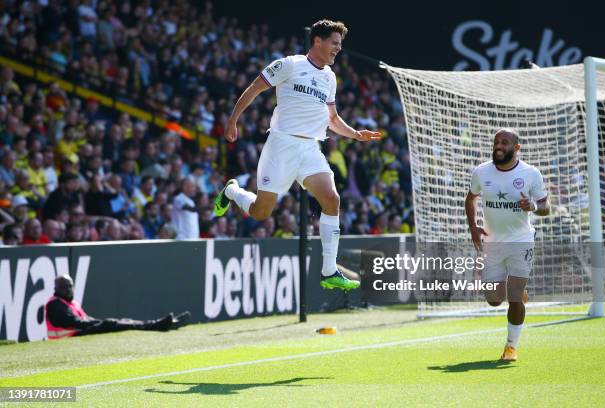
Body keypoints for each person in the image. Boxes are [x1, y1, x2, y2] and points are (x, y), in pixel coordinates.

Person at [214, 19, 380, 291]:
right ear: (318, 41)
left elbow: (332, 118)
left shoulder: (329, 77)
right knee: (260, 213)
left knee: (331, 198)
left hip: (309, 149)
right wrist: (233, 120)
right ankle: (233, 192)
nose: (338, 49)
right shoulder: (289, 64)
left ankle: (329, 271)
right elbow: (254, 89)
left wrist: (355, 134)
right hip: (281, 145)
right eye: (334, 43)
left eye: (340, 45)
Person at [465, 129, 549, 361]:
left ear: (517, 148)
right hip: (492, 242)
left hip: (521, 242)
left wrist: (532, 206)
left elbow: (545, 207)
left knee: (513, 296)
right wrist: (473, 226)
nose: (498, 146)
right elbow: (470, 198)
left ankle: (511, 347)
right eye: (496, 142)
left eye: (504, 142)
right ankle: (519, 294)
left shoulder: (531, 173)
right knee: (494, 300)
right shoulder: (481, 172)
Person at [45, 275, 191, 339]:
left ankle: (159, 324)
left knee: (118, 322)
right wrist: (100, 323)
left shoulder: (71, 302)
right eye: (64, 287)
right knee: (111, 323)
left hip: (76, 333)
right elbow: (75, 323)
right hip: (69, 338)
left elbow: (84, 320)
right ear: (56, 288)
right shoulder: (55, 304)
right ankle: (158, 325)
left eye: (70, 286)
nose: (68, 289)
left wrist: (98, 322)